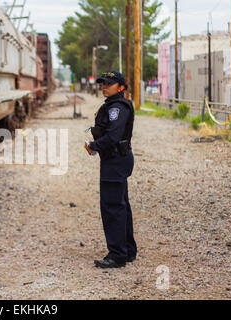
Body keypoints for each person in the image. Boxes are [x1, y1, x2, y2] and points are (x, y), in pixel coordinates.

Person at [84, 70, 137, 269]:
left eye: (109, 84)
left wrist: (93, 146)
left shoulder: (117, 108)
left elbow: (113, 136)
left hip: (115, 161)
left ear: (121, 87)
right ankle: (128, 251)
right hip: (116, 160)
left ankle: (117, 255)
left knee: (112, 208)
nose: (104, 87)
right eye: (103, 84)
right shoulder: (114, 105)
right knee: (121, 206)